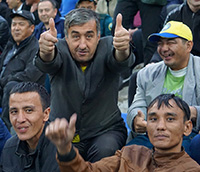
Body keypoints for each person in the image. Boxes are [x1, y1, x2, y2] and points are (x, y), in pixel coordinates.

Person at [34, 8, 135, 162]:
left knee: (105, 152)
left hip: (105, 130)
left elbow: (120, 59)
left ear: (98, 36)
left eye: (89, 36)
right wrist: (45, 50)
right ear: (66, 38)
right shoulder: (59, 49)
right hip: (62, 131)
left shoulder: (108, 46)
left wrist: (123, 48)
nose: (82, 45)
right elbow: (48, 60)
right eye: (75, 36)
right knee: (54, 158)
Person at [45, 94, 200, 171]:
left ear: (187, 127)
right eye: (153, 119)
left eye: (170, 119)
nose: (160, 126)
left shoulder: (190, 169)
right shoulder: (131, 154)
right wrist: (65, 149)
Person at [127, 20, 200, 154]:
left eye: (171, 43)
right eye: (160, 43)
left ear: (189, 46)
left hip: (188, 136)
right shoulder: (147, 73)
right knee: (129, 155)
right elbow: (137, 104)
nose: (164, 48)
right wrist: (137, 119)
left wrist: (192, 112)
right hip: (152, 134)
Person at [0, 10, 45, 131]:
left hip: (23, 93)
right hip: (3, 89)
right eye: (14, 24)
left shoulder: (36, 48)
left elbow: (30, 75)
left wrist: (5, 80)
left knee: (11, 86)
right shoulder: (10, 45)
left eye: (21, 24)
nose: (16, 28)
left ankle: (6, 129)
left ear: (31, 28)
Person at [0, 82, 60, 171]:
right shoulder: (9, 148)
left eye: (28, 110)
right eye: (14, 112)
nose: (20, 119)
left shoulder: (62, 149)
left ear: (46, 114)